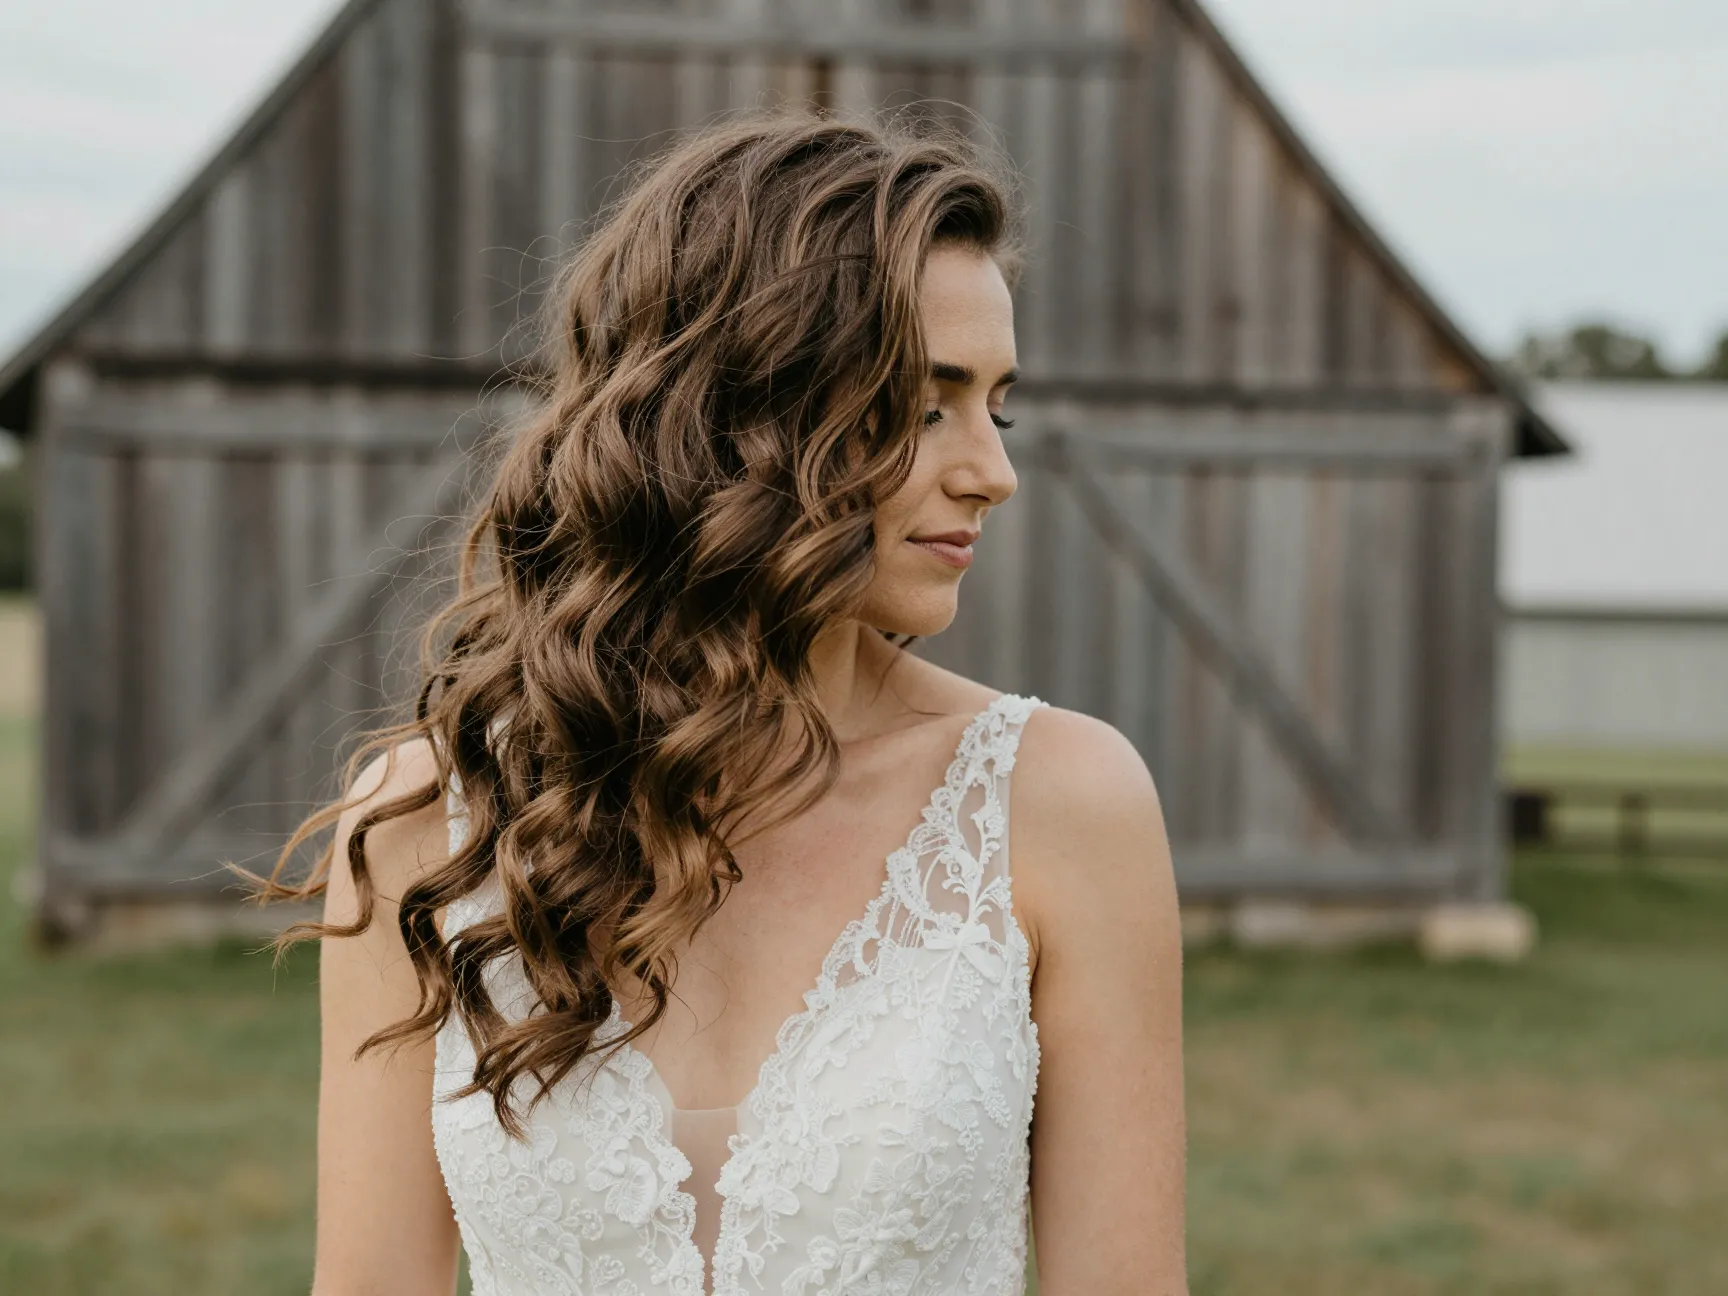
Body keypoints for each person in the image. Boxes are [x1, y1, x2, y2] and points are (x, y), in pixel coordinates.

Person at [249, 109, 1187, 1296]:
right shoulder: (429, 825)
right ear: (735, 413)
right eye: (924, 402)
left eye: (997, 404)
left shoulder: (1059, 802)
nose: (991, 471)